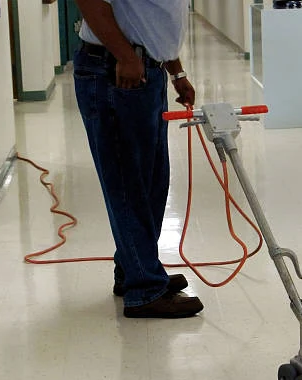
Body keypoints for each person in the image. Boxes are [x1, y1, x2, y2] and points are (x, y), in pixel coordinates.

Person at [73, 0, 203, 319]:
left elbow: (152, 19)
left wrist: (176, 71)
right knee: (128, 183)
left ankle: (134, 269)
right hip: (116, 72)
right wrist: (126, 56)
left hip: (145, 72)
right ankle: (144, 289)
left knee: (152, 182)